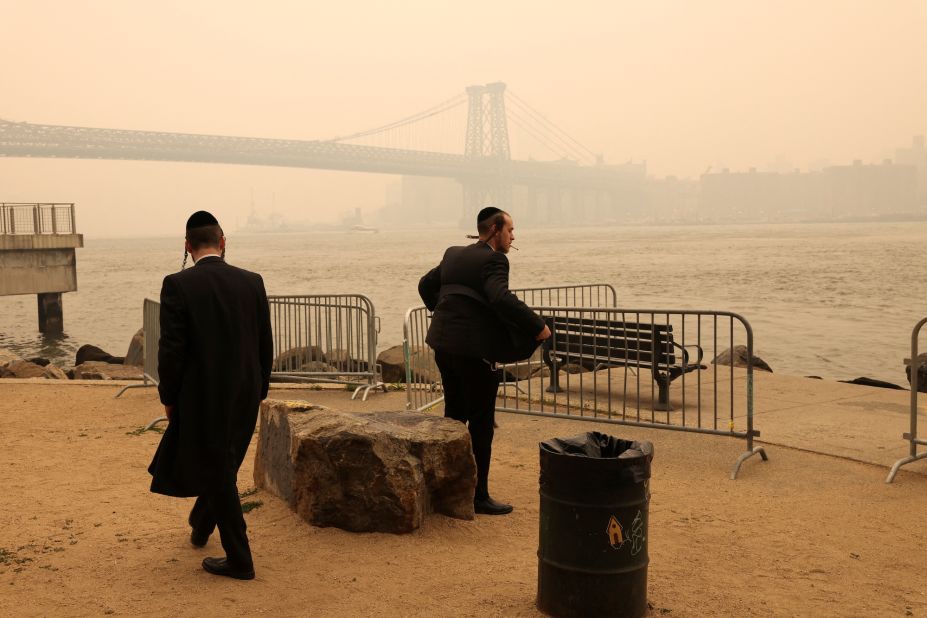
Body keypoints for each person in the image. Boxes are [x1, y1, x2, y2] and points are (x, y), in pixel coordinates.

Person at [148, 210, 273, 580]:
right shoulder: (252, 281)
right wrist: (260, 386)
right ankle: (202, 525)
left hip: (202, 394)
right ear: (223, 242)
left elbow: (172, 349)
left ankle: (241, 559)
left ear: (187, 246)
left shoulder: (177, 284)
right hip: (245, 390)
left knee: (219, 467)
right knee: (224, 461)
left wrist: (168, 396)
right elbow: (264, 340)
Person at [418, 206, 551, 515]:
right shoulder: (494, 259)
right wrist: (538, 326)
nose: (513, 236)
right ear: (494, 230)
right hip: (474, 352)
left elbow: (425, 285)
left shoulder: (453, 254)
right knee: (481, 423)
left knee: (454, 416)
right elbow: (500, 297)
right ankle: (479, 496)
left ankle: (448, 489)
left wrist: (444, 312)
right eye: (510, 230)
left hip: (443, 345)